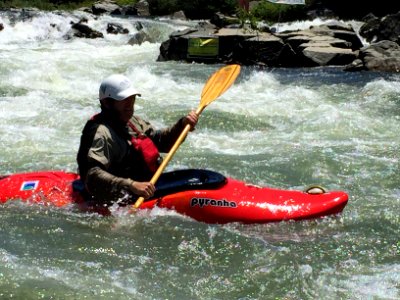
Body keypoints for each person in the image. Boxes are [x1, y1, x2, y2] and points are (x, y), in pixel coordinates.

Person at [76, 74, 198, 206]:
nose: (129, 103)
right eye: (123, 99)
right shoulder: (101, 133)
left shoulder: (133, 121)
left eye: (132, 97)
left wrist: (181, 125)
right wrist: (132, 185)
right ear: (107, 103)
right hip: (119, 198)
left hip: (146, 187)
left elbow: (161, 142)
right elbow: (92, 176)